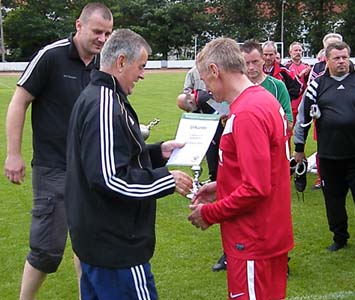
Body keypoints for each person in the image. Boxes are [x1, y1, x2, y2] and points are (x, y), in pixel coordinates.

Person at [65, 28, 193, 300]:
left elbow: (107, 155)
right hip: (115, 249)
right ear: (121, 62)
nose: (143, 74)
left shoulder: (100, 96)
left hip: (100, 244)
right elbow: (109, 177)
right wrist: (166, 180)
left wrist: (158, 153)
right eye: (141, 66)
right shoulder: (103, 103)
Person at [4, 3, 113, 300]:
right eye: (97, 32)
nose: (102, 39)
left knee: (88, 245)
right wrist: (13, 154)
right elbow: (18, 102)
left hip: (90, 170)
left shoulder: (102, 64)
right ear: (79, 25)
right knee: (47, 250)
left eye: (107, 33)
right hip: (53, 167)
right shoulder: (51, 56)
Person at [188, 37, 294, 300]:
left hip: (253, 240)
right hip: (267, 234)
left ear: (215, 70)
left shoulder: (248, 113)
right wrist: (221, 186)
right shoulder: (264, 100)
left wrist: (209, 213)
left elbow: (255, 188)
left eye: (206, 80)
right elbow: (262, 171)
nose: (208, 90)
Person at [293, 41, 355, 252]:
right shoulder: (317, 84)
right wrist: (299, 148)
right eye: (336, 58)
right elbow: (303, 117)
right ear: (326, 60)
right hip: (329, 155)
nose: (341, 62)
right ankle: (339, 237)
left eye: (344, 57)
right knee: (333, 200)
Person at [179, 70, 227, 272]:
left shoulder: (250, 105)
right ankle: (230, 252)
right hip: (207, 122)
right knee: (218, 171)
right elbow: (184, 98)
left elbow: (252, 187)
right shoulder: (193, 73)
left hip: (224, 122)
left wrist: (209, 213)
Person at [307, 33, 343, 189]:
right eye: (330, 46)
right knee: (323, 147)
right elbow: (310, 91)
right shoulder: (318, 67)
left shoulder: (349, 67)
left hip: (346, 116)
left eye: (336, 45)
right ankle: (323, 178)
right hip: (324, 116)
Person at [240, 40, 293, 132]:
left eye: (255, 61)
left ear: (262, 60)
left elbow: (289, 123)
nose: (251, 67)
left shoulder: (278, 86)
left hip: (271, 143)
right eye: (246, 63)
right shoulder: (236, 87)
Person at [285, 42, 311, 123]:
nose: (298, 52)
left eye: (300, 50)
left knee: (302, 128)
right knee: (289, 128)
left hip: (303, 101)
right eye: (295, 50)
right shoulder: (286, 67)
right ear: (290, 52)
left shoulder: (307, 66)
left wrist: (307, 75)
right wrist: (300, 75)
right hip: (291, 102)